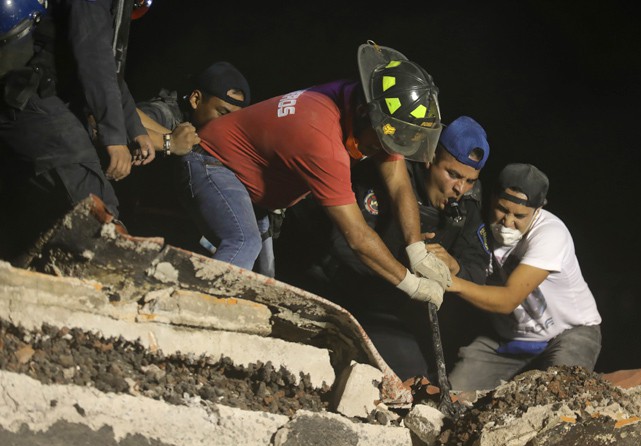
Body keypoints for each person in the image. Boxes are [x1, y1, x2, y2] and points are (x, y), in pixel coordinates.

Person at [178, 41, 451, 307]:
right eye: (380, 141)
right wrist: (411, 284)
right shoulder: (322, 140)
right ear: (363, 113)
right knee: (243, 242)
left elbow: (399, 183)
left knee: (263, 281)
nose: (382, 151)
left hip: (253, 182)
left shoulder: (366, 102)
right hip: (212, 162)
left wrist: (415, 248)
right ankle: (197, 314)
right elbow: (357, 236)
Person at [280, 115, 491, 380]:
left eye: (470, 180)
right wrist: (402, 262)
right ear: (429, 159)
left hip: (388, 307)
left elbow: (479, 270)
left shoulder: (468, 205)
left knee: (409, 376)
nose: (460, 188)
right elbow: (342, 241)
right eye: (453, 175)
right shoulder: (387, 173)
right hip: (334, 286)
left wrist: (454, 267)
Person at [0, 0, 154, 261]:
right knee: (90, 194)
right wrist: (115, 136)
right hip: (27, 96)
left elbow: (109, 65)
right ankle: (114, 267)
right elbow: (94, 57)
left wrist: (135, 128)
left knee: (50, 215)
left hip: (36, 96)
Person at [444, 163, 602, 391]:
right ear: (491, 199)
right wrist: (450, 264)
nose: (508, 222)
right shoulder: (476, 224)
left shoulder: (551, 233)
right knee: (456, 393)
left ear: (537, 211)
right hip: (510, 340)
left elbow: (508, 299)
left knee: (562, 395)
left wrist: (451, 282)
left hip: (568, 332)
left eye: (519, 215)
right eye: (501, 209)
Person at [114, 61, 250, 249]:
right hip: (136, 225)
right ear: (196, 99)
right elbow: (116, 125)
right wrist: (169, 142)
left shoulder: (224, 136)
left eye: (233, 119)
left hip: (180, 231)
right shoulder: (166, 113)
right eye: (222, 113)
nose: (226, 124)